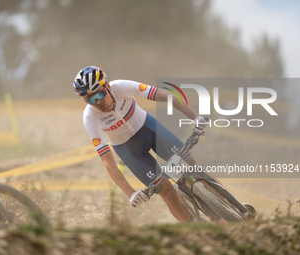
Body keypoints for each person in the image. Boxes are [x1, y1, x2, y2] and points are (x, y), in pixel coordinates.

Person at [73, 66, 208, 222]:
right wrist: (130, 193)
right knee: (169, 194)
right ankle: (196, 229)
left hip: (149, 129)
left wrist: (194, 116)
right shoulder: (90, 118)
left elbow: (164, 95)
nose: (98, 102)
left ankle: (232, 202)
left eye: (100, 94)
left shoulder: (121, 87)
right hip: (130, 151)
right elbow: (107, 162)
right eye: (91, 99)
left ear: (108, 86)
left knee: (193, 167)